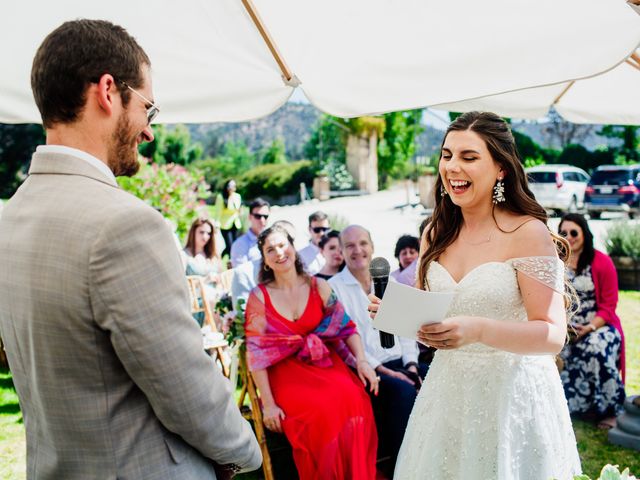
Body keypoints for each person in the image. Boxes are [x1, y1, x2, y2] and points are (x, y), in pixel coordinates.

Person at [0, 20, 261, 479]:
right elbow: (186, 390)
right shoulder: (124, 225)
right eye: (149, 108)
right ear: (107, 91)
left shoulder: (9, 220)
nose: (149, 132)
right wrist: (246, 450)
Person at [371, 112, 581, 479]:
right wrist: (401, 314)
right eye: (447, 155)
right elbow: (432, 316)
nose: (452, 166)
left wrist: (479, 330)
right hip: (448, 395)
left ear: (501, 168)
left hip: (512, 400)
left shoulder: (527, 232)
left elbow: (552, 335)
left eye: (469, 157)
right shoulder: (434, 233)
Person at [244, 225, 379, 479]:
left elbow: (347, 328)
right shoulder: (258, 298)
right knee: (320, 409)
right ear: (264, 261)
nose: (279, 252)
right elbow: (256, 354)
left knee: (353, 397)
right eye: (270, 249)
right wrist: (269, 404)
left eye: (283, 245)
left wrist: (362, 361)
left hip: (325, 365)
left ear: (294, 248)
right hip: (286, 374)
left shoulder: (319, 286)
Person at [329, 225, 424, 475]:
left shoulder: (388, 280)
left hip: (400, 360)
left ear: (372, 247)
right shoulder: (334, 288)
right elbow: (344, 340)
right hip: (368, 370)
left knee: (436, 373)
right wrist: (386, 372)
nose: (357, 250)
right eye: (349, 245)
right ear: (341, 251)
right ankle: (402, 470)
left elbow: (405, 330)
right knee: (403, 391)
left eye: (363, 243)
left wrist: (412, 365)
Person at [557, 213, 626, 429]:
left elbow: (608, 305)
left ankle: (609, 410)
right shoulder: (556, 263)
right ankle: (573, 408)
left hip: (599, 325)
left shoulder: (601, 261)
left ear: (585, 234)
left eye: (574, 232)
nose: (569, 237)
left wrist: (589, 327)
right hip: (566, 327)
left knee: (595, 347)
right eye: (563, 233)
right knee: (556, 351)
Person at [230, 197, 270, 267]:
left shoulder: (272, 240)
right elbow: (241, 274)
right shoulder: (240, 244)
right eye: (258, 216)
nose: (262, 220)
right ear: (249, 217)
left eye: (265, 216)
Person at [214, 179, 242, 258]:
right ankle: (227, 259)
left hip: (236, 224)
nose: (231, 188)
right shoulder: (221, 197)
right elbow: (218, 212)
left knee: (235, 245)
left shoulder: (237, 196)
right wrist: (216, 224)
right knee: (230, 245)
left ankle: (223, 257)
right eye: (230, 186)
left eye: (233, 186)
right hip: (225, 225)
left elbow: (238, 210)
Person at [298, 210, 330, 275]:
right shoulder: (300, 256)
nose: (321, 233)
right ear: (309, 229)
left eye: (324, 229)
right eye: (317, 230)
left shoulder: (339, 251)